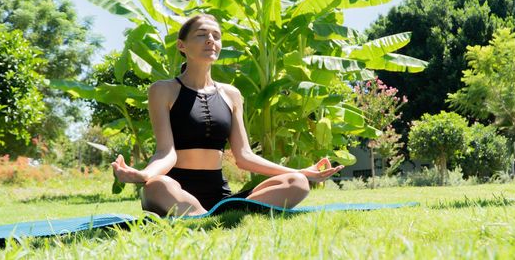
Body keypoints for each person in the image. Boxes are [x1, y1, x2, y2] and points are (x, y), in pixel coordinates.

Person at [111, 14, 344, 217]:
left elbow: (244, 156)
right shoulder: (163, 90)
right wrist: (144, 175)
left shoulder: (231, 94)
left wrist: (299, 172)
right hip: (174, 190)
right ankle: (215, 216)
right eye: (202, 35)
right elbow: (166, 152)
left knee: (298, 183)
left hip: (220, 195)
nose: (211, 40)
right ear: (182, 46)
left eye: (216, 35)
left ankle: (211, 216)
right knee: (155, 186)